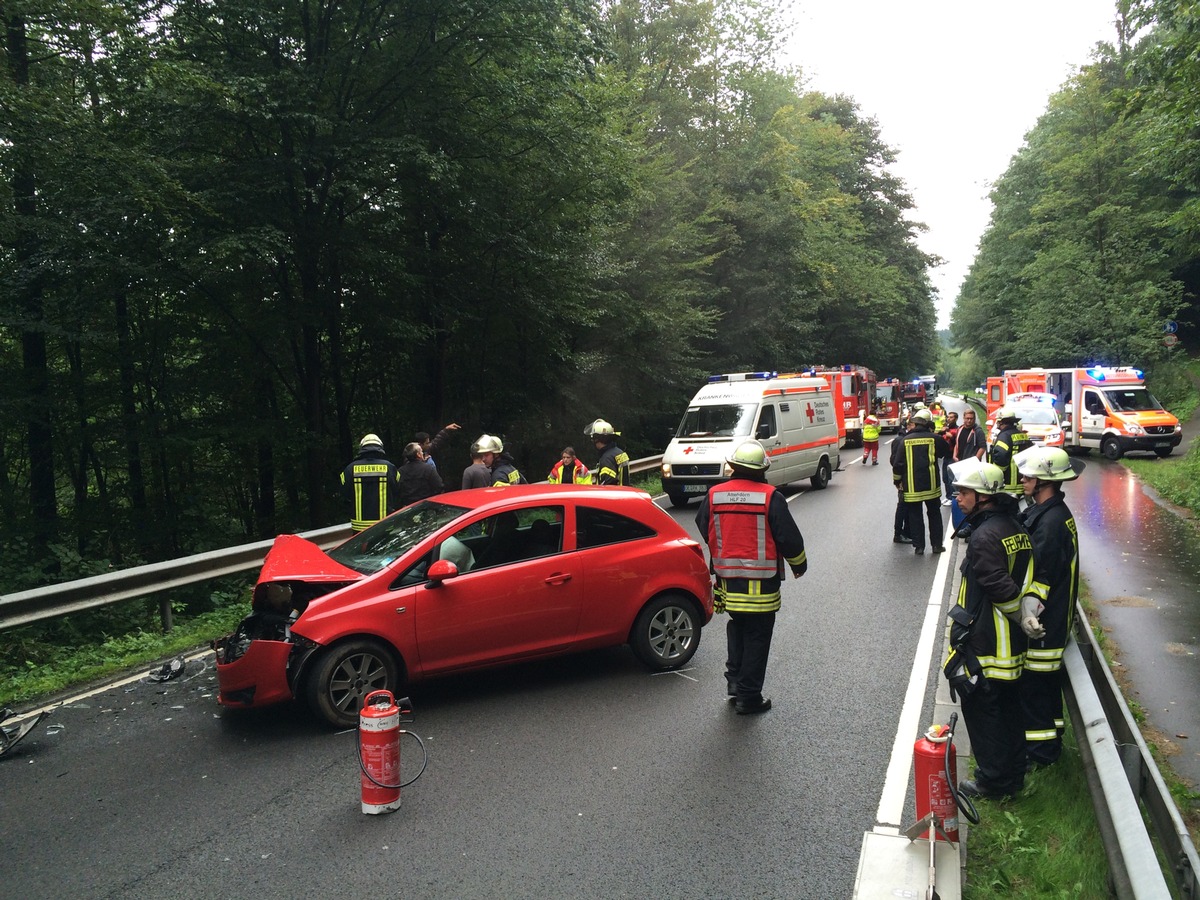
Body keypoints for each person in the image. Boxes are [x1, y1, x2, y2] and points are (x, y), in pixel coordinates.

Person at [942, 457, 1034, 800]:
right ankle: (1012, 776)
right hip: (1012, 645)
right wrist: (1024, 620)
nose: (958, 498)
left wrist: (1016, 614)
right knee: (1009, 712)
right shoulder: (1014, 527)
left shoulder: (984, 536)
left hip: (989, 644)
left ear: (983, 497)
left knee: (984, 713)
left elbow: (999, 588)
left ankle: (992, 782)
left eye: (963, 492)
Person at [695, 440, 807, 715]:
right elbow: (788, 538)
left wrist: (722, 550)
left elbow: (702, 524)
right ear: (762, 469)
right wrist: (799, 565)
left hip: (726, 581)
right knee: (757, 635)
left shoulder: (714, 495)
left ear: (733, 466)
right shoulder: (770, 497)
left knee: (737, 627)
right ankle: (749, 696)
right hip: (761, 586)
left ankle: (734, 682)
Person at [1015, 445, 1084, 768]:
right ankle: (1052, 741)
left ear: (1045, 481)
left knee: (1035, 690)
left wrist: (1028, 614)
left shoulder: (1052, 522)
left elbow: (1041, 574)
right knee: (1045, 688)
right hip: (1055, 617)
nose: (1023, 479)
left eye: (1029, 475)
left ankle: (1040, 756)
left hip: (1046, 621)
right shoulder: (1052, 513)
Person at [890, 408, 950, 555]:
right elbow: (945, 453)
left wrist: (897, 481)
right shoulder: (935, 438)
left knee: (915, 516)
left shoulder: (905, 440)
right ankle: (936, 545)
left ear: (915, 423)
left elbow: (897, 464)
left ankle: (919, 547)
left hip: (912, 487)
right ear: (928, 423)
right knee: (934, 514)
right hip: (931, 486)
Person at [340, 433, 402, 531]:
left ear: (362, 448)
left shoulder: (350, 468)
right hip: (384, 524)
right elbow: (398, 490)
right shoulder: (390, 468)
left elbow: (344, 493)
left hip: (359, 527)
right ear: (380, 447)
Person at [989, 406, 1031, 495]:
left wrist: (995, 474)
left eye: (998, 421)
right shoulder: (1023, 435)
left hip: (1008, 486)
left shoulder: (1004, 436)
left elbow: (1001, 456)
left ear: (1001, 422)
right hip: (1023, 483)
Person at [396, 441, 444, 506]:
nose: (423, 453)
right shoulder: (428, 468)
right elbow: (439, 486)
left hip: (407, 508)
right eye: (421, 451)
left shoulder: (400, 471)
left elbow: (397, 490)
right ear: (418, 455)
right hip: (425, 506)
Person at [585, 418, 630, 485]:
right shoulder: (619, 452)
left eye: (593, 438)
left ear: (597, 438)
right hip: (624, 492)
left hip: (614, 494)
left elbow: (607, 486)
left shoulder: (606, 459)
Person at [939, 411, 960, 505]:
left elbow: (958, 442)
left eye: (951, 417)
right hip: (946, 456)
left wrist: (951, 437)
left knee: (951, 478)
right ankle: (948, 496)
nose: (949, 419)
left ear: (955, 419)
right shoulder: (946, 429)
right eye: (948, 417)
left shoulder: (957, 429)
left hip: (952, 456)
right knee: (945, 478)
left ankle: (952, 498)